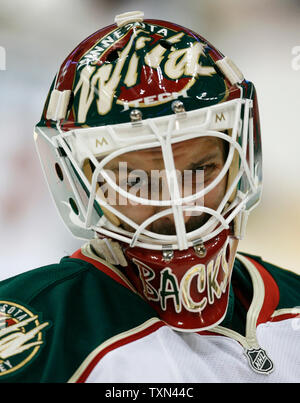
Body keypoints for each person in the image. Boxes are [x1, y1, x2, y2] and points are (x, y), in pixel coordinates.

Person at [1, 10, 300, 383]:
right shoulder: (32, 329)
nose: (178, 201)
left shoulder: (294, 306)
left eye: (203, 168)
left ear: (239, 160)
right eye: (138, 179)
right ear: (82, 181)